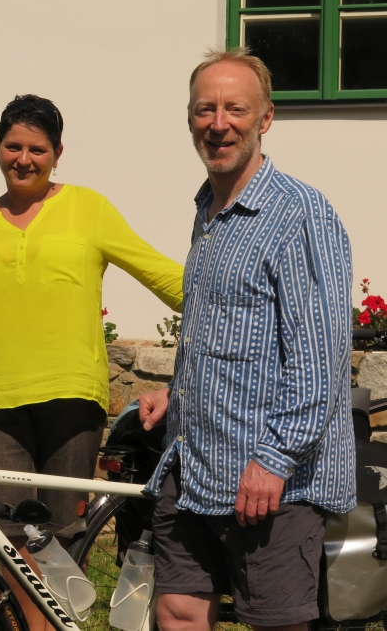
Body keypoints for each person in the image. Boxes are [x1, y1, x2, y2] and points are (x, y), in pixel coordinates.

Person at [0, 94, 184, 630]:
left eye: (37, 149)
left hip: (73, 395)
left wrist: (223, 296)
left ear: (57, 153)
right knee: (7, 531)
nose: (23, 159)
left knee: (63, 531)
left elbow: (156, 271)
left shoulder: (88, 208)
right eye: (12, 146)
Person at [139, 48, 355, 631]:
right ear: (189, 120)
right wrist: (176, 390)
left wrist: (275, 458)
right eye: (204, 109)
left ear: (265, 118)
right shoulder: (207, 209)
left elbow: (321, 359)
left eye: (235, 108)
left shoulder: (300, 214)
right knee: (178, 612)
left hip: (267, 481)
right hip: (192, 463)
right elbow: (223, 330)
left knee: (277, 624)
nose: (218, 123)